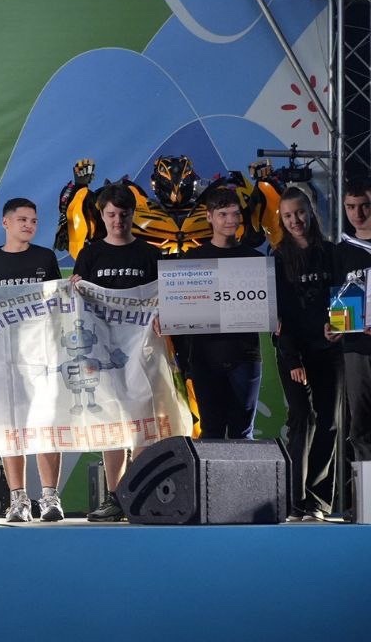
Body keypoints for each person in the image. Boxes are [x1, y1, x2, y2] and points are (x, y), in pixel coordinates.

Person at [0, 196, 64, 522]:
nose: (29, 225)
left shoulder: (45, 258)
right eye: (22, 219)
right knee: (11, 429)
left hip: (42, 355)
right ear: (5, 222)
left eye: (33, 220)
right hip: (2, 358)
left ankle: (50, 498)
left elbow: (59, 303)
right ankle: (19, 500)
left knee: (46, 426)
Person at [70, 182, 159, 522]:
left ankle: (135, 492)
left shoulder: (150, 254)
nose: (118, 221)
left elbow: (164, 299)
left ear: (133, 214)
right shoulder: (90, 254)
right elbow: (77, 303)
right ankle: (115, 495)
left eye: (124, 214)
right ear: (101, 216)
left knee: (142, 421)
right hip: (103, 350)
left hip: (143, 349)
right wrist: (74, 289)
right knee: (111, 422)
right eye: (111, 214)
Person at [273, 187, 342, 520]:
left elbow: (344, 295)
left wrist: (338, 326)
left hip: (330, 350)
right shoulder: (277, 259)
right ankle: (294, 498)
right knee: (302, 418)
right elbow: (278, 317)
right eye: (288, 215)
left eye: (299, 212)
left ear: (311, 212)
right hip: (294, 354)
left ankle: (318, 501)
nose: (295, 220)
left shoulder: (331, 253)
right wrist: (292, 358)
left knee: (329, 421)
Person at [179, 187, 265, 440]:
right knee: (211, 430)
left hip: (245, 355)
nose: (230, 220)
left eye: (235, 214)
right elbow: (181, 308)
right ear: (209, 217)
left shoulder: (254, 259)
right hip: (205, 357)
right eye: (223, 214)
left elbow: (269, 305)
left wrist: (276, 316)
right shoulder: (192, 259)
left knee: (243, 432)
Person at [335, 181, 371, 513]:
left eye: (364, 206)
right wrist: (332, 325)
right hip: (356, 349)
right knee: (360, 427)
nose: (357, 214)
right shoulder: (341, 251)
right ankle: (366, 505)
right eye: (350, 207)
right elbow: (336, 303)